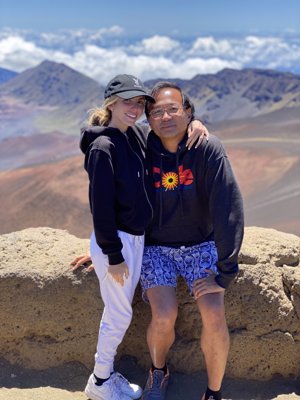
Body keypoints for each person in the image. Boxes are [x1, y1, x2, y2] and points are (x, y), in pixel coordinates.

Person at [76, 74, 208, 400]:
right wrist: (110, 253)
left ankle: (104, 377)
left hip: (134, 241)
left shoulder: (132, 135)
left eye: (139, 102)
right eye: (127, 102)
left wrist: (198, 123)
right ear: (111, 103)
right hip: (119, 244)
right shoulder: (103, 147)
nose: (135, 108)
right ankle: (100, 380)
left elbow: (170, 127)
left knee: (121, 311)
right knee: (119, 314)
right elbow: (101, 207)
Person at [138, 82, 244, 400]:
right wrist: (104, 248)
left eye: (173, 109)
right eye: (156, 111)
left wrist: (225, 273)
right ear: (148, 119)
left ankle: (213, 392)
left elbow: (229, 209)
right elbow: (114, 197)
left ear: (188, 111)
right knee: (164, 314)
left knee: (213, 312)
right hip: (157, 248)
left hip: (201, 245)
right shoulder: (140, 150)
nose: (165, 116)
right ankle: (158, 371)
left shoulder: (208, 148)